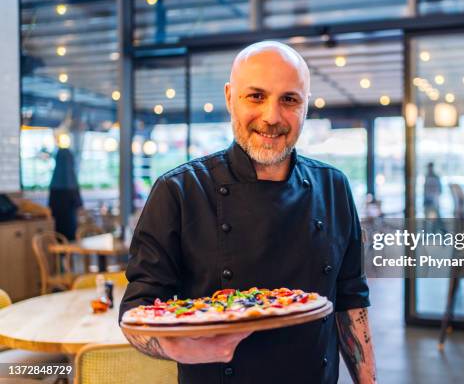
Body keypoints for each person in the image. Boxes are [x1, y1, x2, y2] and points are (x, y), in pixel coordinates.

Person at [120, 41, 376, 384]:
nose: (272, 117)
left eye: (289, 99)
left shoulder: (334, 187)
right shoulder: (178, 192)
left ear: (306, 106)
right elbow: (137, 312)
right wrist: (186, 351)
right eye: (256, 96)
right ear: (230, 97)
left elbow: (350, 300)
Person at [48, 147, 82, 240]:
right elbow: (78, 205)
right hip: (70, 222)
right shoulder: (71, 178)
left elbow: (51, 206)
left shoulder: (55, 179)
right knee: (70, 236)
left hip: (57, 223)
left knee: (60, 238)